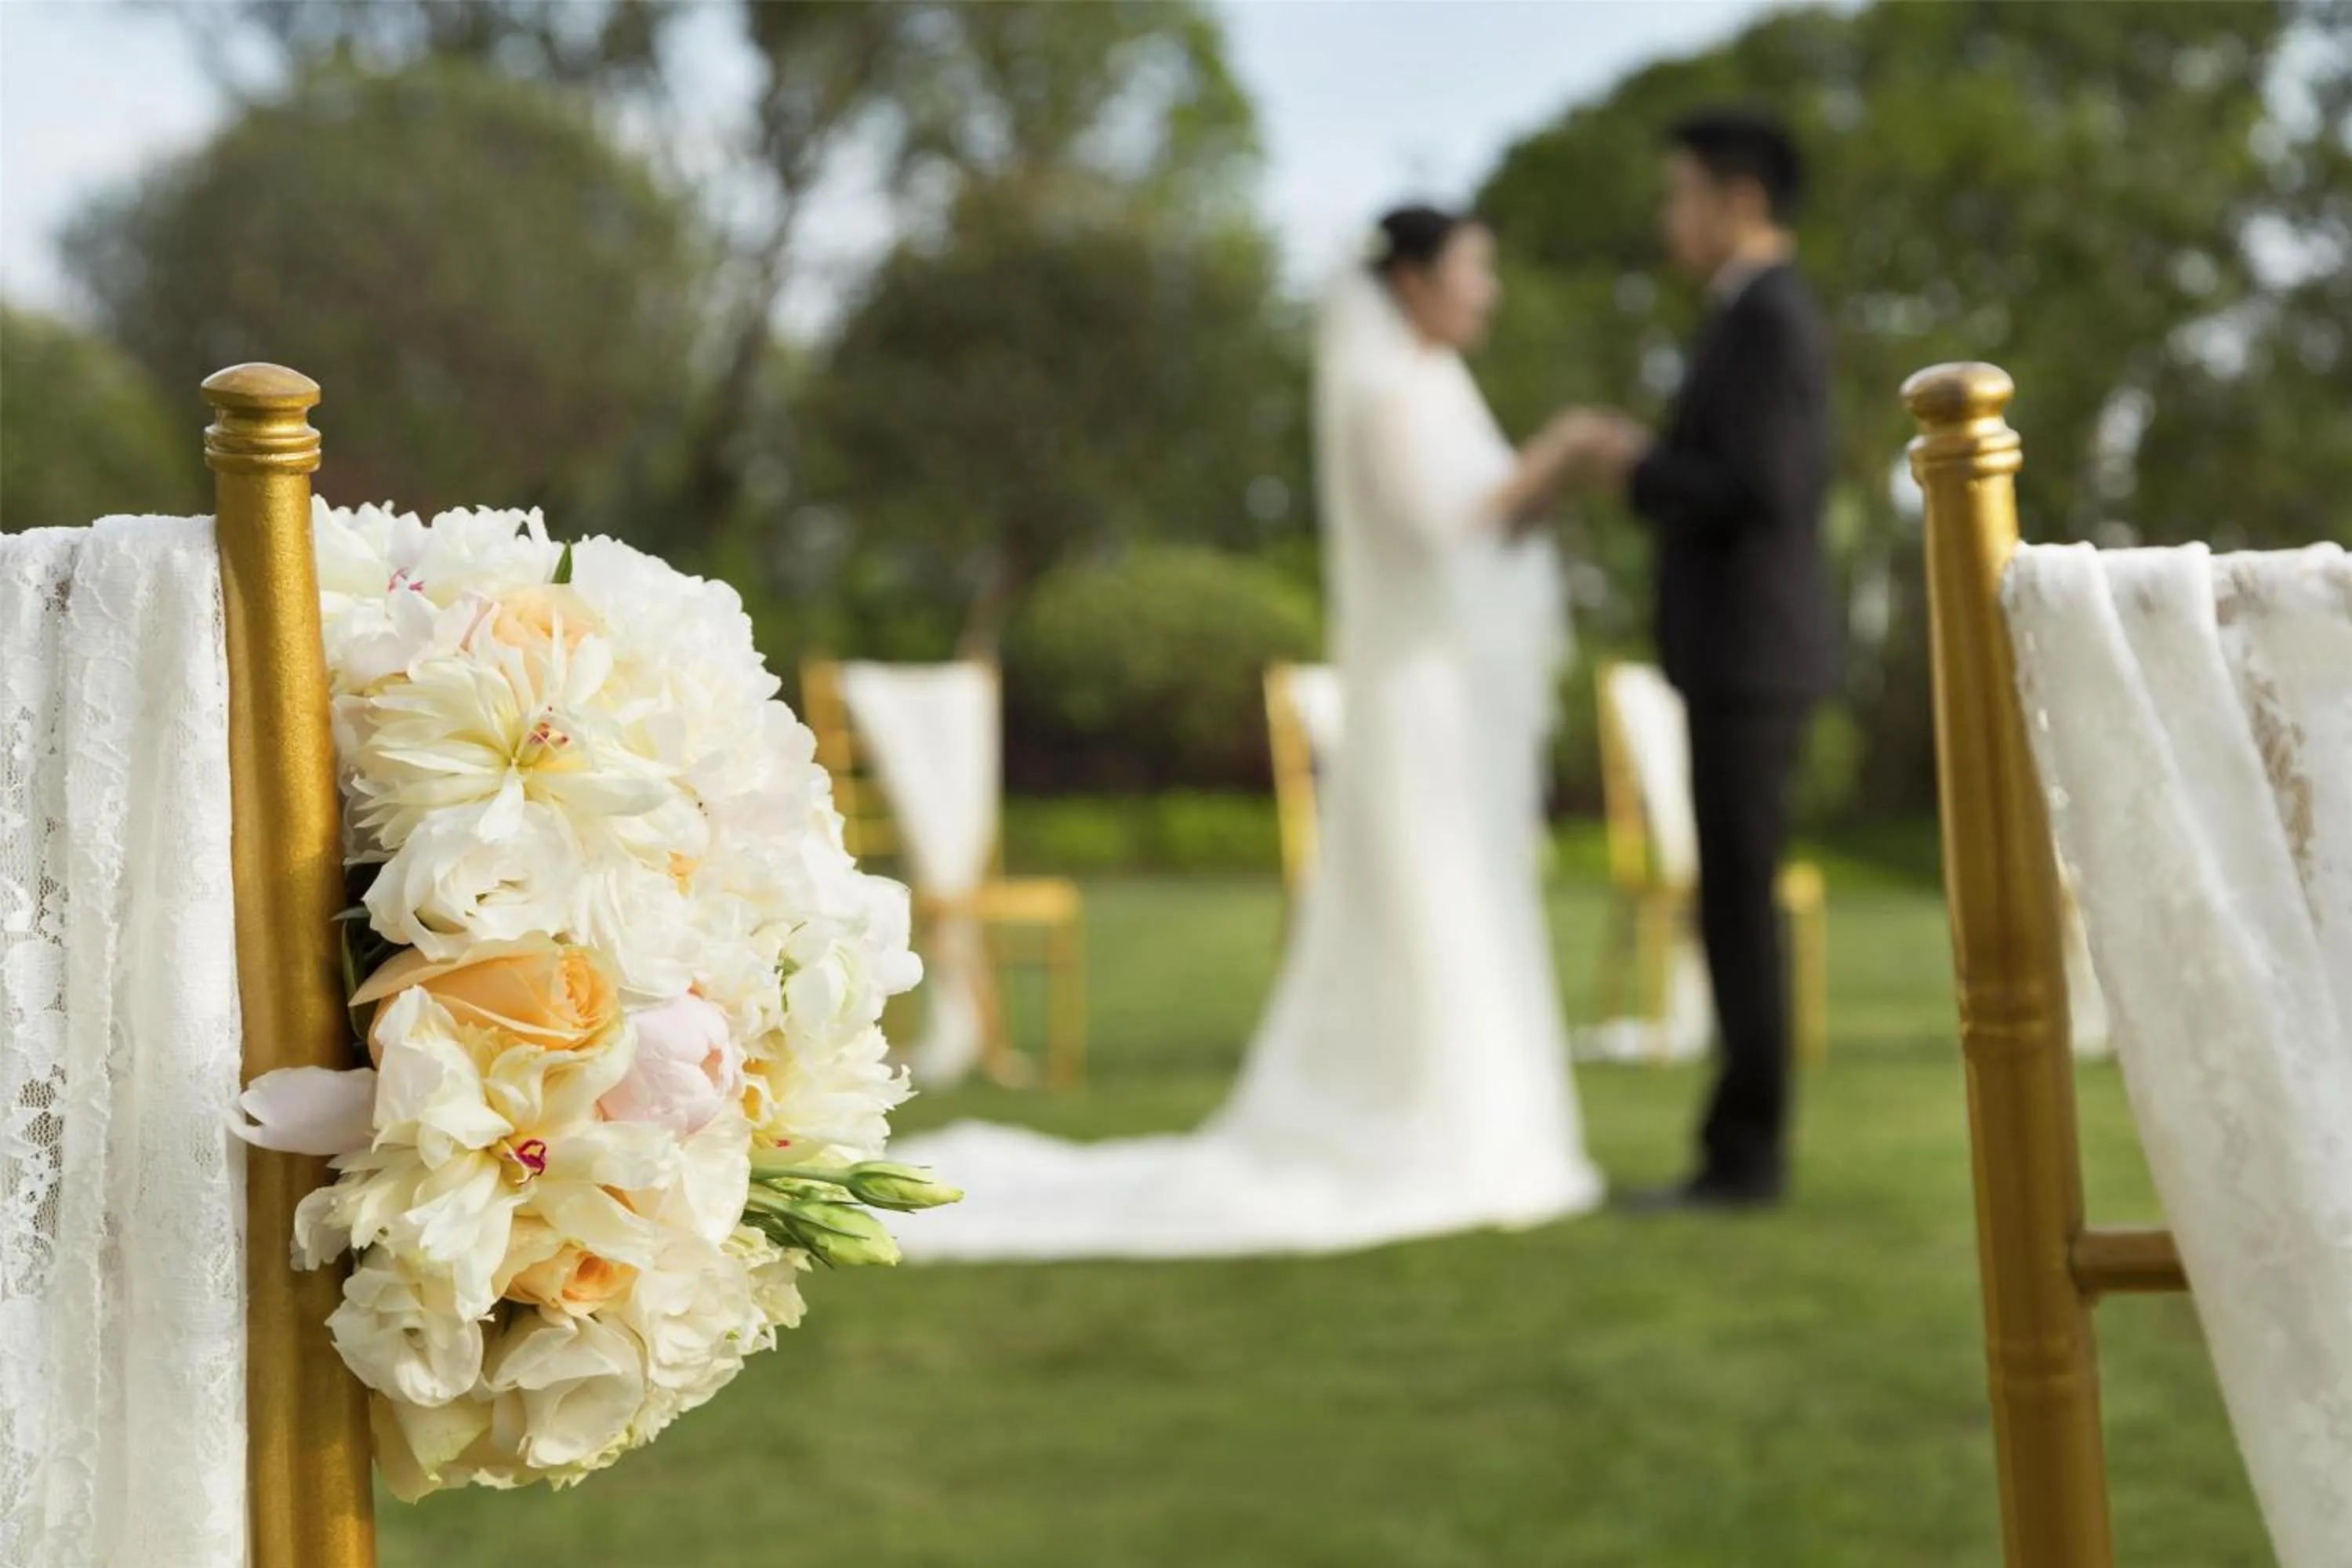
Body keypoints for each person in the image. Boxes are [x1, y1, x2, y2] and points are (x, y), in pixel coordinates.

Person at [889, 205, 1606, 1259]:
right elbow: (1437, 535)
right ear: (1413, 280)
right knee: (1429, 903)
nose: (1488, 290)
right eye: (1474, 269)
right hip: (1409, 712)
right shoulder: (1384, 395)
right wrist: (1563, 453)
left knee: (1473, 904)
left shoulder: (1440, 385)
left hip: (1449, 706)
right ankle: (1439, 1125)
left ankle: (1489, 1122)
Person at [1569, 109, 1836, 1210]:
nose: (1667, 217)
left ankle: (1745, 1158)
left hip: (1751, 656)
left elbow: (1759, 488)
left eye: (1679, 194)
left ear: (1737, 198)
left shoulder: (1769, 317)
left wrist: (1636, 461)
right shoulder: (1744, 314)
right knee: (1729, 896)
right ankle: (1736, 1147)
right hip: (1734, 657)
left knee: (1737, 900)